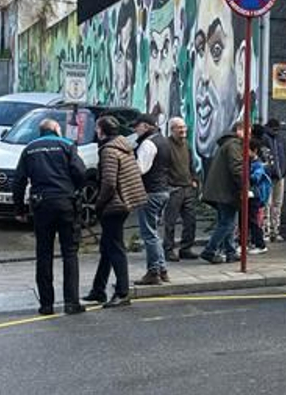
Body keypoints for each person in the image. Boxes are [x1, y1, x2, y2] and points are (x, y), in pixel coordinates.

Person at [11, 117, 87, 316]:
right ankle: (71, 302)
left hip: (41, 204)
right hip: (65, 203)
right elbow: (80, 172)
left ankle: (46, 304)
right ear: (56, 129)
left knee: (43, 254)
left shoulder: (29, 149)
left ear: (41, 131)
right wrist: (76, 189)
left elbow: (18, 181)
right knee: (69, 253)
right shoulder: (67, 145)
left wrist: (19, 209)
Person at [86, 116, 146, 308]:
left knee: (115, 248)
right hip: (125, 202)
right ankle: (98, 289)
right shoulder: (123, 146)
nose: (96, 132)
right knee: (107, 247)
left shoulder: (109, 151)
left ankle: (122, 292)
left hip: (114, 205)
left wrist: (98, 204)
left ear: (102, 131)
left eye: (97, 128)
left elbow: (109, 183)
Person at [132, 112, 174, 286]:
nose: (135, 129)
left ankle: (154, 271)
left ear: (146, 126)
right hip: (163, 190)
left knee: (149, 234)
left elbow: (141, 168)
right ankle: (162, 270)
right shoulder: (163, 141)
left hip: (150, 192)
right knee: (155, 232)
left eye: (137, 126)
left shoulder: (148, 143)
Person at [199, 117, 246, 264]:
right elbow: (237, 168)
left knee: (226, 221)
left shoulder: (226, 144)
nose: (249, 136)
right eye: (247, 132)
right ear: (239, 131)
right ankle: (210, 250)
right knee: (227, 223)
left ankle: (230, 251)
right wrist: (245, 186)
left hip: (220, 190)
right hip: (226, 191)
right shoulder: (234, 145)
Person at [163, 116, 200, 261]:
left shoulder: (187, 145)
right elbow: (163, 167)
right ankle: (168, 249)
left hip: (187, 187)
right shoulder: (166, 145)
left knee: (190, 220)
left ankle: (186, 248)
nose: (183, 130)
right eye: (179, 128)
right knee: (170, 222)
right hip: (173, 188)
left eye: (184, 127)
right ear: (172, 129)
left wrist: (194, 179)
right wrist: (167, 184)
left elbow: (191, 164)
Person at [261, 117, 286, 242]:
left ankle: (274, 230)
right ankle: (266, 230)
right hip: (269, 175)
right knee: (268, 203)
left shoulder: (280, 139)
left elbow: (284, 155)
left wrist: (283, 170)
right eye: (275, 129)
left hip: (279, 175)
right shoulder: (264, 139)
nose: (276, 132)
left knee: (277, 203)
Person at [248, 141, 273, 254]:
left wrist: (247, 174)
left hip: (255, 195)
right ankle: (253, 242)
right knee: (249, 220)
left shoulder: (257, 164)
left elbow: (256, 178)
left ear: (254, 151)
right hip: (252, 195)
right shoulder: (251, 162)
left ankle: (260, 244)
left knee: (254, 221)